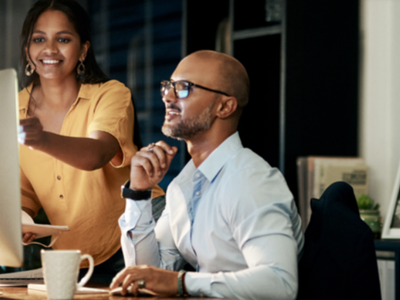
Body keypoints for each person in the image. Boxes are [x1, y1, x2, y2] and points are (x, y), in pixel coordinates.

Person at [110, 50, 304, 299]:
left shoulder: (250, 180)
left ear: (224, 106)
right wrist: (138, 192)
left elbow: (280, 283)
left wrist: (182, 282)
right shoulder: (183, 184)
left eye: (183, 87)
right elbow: (151, 275)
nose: (168, 96)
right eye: (168, 86)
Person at [18, 0, 165, 282]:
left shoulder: (110, 94)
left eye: (63, 39)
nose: (49, 49)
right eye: (39, 39)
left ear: (83, 49)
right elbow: (24, 191)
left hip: (139, 234)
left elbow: (96, 154)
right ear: (28, 50)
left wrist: (42, 139)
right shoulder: (13, 107)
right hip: (75, 255)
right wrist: (22, 220)